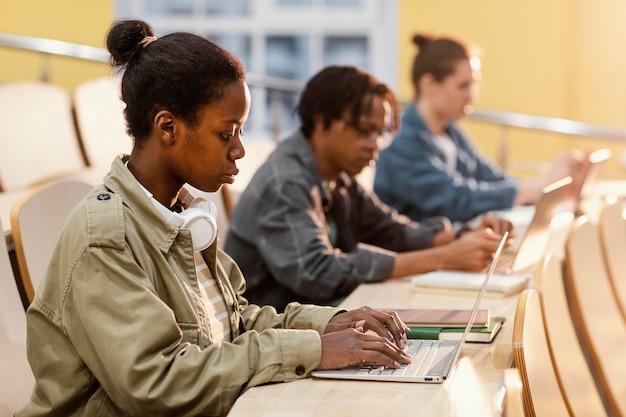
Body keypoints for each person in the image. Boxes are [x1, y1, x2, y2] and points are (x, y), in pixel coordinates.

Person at [17, 20, 415, 417]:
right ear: (168, 127)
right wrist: (314, 350)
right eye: (227, 134)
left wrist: (335, 324)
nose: (240, 149)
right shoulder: (106, 237)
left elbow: (236, 322)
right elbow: (157, 384)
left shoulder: (182, 213)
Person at [224, 65, 512, 312]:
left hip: (323, 320)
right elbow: (318, 273)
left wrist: (469, 234)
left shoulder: (338, 174)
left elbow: (393, 230)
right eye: (364, 131)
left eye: (380, 133)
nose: (374, 143)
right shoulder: (285, 182)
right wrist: (444, 258)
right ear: (322, 121)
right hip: (276, 339)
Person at [373, 34, 585, 223]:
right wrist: (543, 185)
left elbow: (493, 179)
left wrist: (551, 185)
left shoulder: (451, 132)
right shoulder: (399, 142)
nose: (472, 96)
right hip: (418, 259)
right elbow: (456, 198)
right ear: (429, 84)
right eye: (463, 86)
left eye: (474, 85)